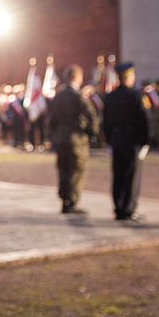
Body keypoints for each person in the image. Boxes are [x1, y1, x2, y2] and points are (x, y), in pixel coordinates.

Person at [101, 62, 149, 221]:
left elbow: (105, 121)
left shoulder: (110, 96)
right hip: (131, 139)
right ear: (129, 77)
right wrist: (145, 142)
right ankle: (128, 209)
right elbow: (144, 120)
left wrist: (108, 140)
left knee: (118, 174)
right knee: (130, 176)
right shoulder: (135, 96)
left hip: (116, 138)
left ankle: (118, 207)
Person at [49, 64, 99, 214]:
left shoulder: (58, 95)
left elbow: (52, 119)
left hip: (61, 138)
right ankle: (72, 201)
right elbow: (91, 116)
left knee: (63, 169)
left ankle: (65, 201)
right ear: (77, 77)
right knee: (76, 170)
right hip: (76, 139)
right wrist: (91, 134)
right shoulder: (78, 95)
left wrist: (54, 136)